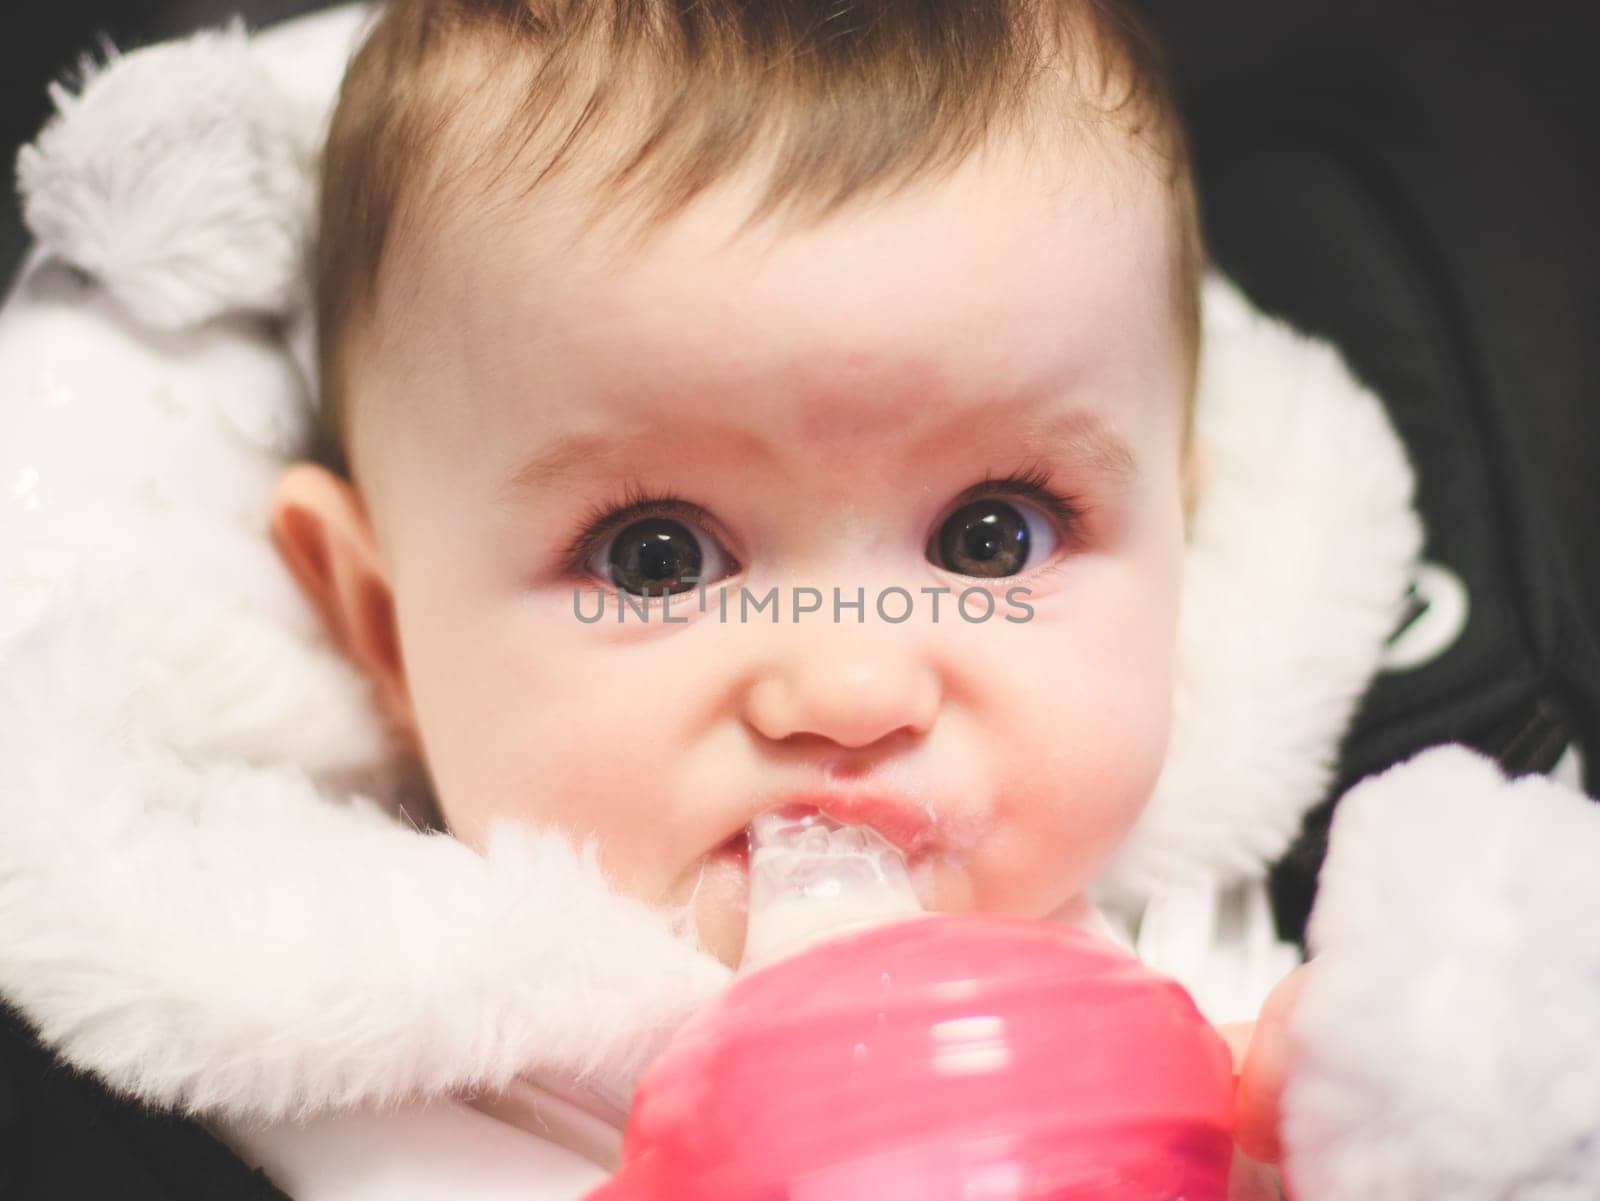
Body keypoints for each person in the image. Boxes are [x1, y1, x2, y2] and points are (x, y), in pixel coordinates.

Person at [15, 3, 1595, 1200]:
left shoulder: (1253, 910)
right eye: (654, 557)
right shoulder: (333, 1054)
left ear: (1183, 525)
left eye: (992, 535)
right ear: (380, 624)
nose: (851, 689)